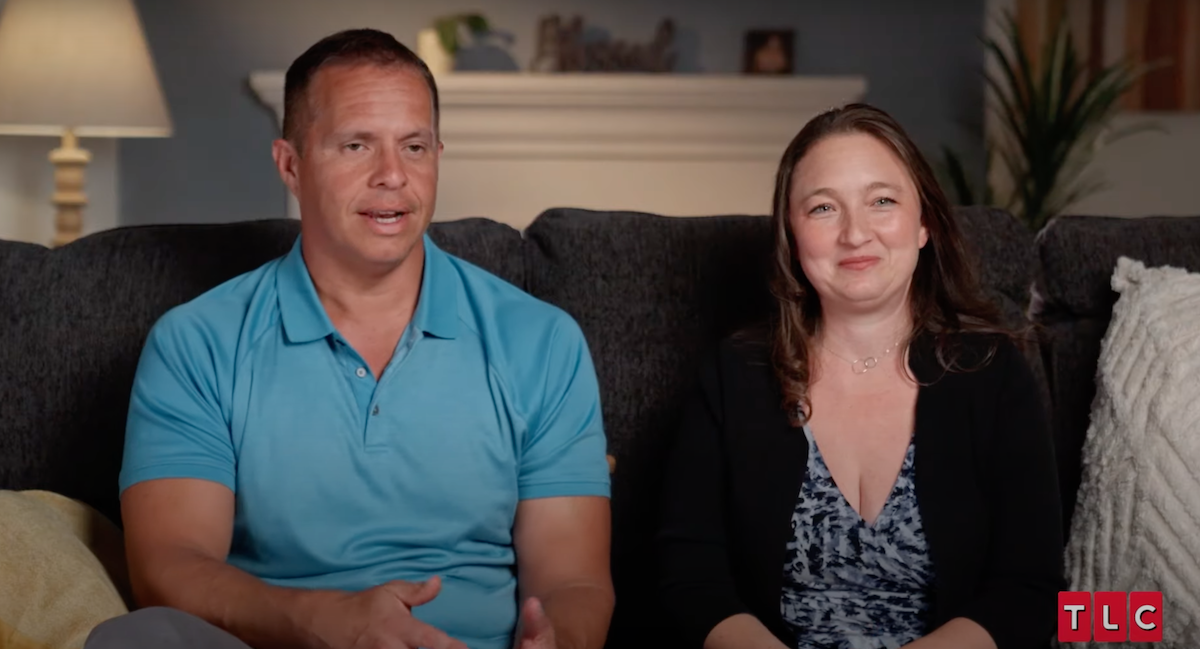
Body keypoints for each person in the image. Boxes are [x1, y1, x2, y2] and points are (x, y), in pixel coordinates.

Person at [86, 28, 614, 649]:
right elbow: (170, 567)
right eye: (357, 145)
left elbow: (574, 581)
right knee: (137, 639)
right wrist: (323, 621)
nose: (392, 175)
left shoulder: (541, 341)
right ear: (291, 164)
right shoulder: (196, 343)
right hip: (275, 643)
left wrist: (560, 639)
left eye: (414, 146)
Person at [656, 103, 1064, 649]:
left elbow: (1029, 588)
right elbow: (688, 575)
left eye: (882, 201)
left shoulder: (993, 374)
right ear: (792, 237)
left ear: (924, 225)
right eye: (824, 208)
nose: (855, 233)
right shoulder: (734, 373)